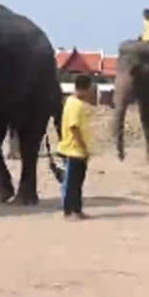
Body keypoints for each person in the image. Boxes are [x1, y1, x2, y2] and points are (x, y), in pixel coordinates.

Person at [57, 74, 96, 220]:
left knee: (78, 183)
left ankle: (77, 210)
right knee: (71, 183)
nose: (91, 93)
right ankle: (68, 212)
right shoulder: (75, 105)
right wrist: (83, 146)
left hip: (78, 151)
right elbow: (74, 128)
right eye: (91, 89)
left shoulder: (72, 102)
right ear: (84, 89)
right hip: (74, 150)